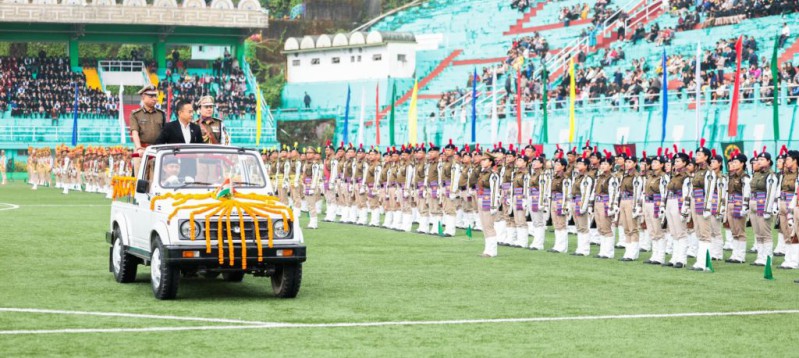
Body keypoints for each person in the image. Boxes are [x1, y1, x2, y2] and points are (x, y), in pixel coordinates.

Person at [130, 85, 166, 176]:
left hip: (156, 150)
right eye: (151, 96)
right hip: (142, 149)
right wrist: (139, 148)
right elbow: (135, 132)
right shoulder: (136, 114)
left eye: (155, 96)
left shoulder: (161, 114)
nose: (154, 99)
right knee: (141, 179)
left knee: (155, 179)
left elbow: (165, 133)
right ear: (143, 97)